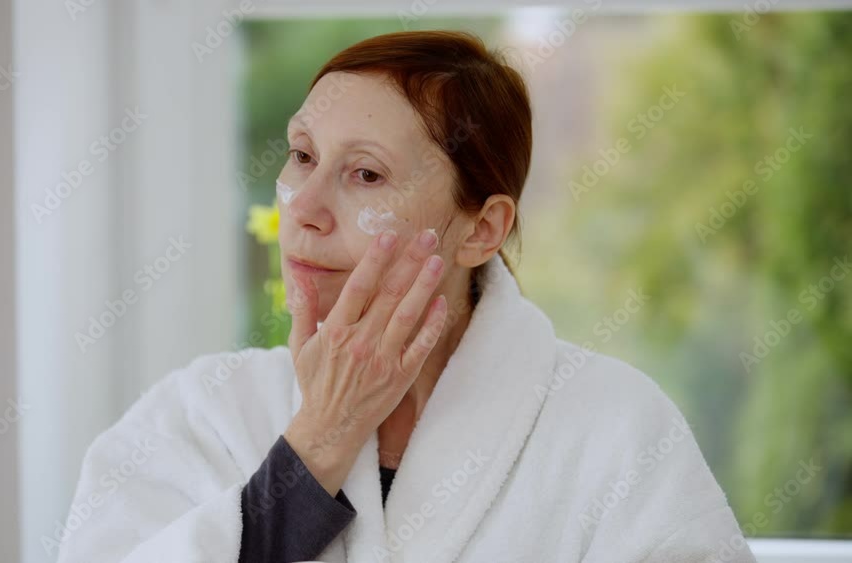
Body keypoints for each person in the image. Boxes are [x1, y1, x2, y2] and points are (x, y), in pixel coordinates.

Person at [56, 30, 756, 563]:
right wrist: (313, 451)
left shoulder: (613, 431)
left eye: (364, 174)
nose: (304, 207)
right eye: (302, 156)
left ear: (481, 229)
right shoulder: (199, 415)